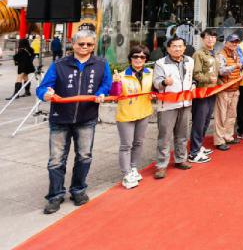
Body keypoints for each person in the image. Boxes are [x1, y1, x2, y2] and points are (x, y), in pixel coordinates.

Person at [36, 29, 112, 214]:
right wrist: (46, 94)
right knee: (56, 160)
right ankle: (55, 195)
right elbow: (43, 88)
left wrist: (101, 93)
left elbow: (106, 84)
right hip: (60, 118)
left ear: (94, 45)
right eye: (81, 44)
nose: (85, 47)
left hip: (87, 118)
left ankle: (78, 190)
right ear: (73, 43)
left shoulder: (101, 64)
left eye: (89, 44)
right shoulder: (59, 64)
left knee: (84, 156)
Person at [152, 36, 195, 180]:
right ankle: (161, 165)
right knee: (164, 136)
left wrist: (193, 84)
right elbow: (156, 83)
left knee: (182, 134)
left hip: (185, 103)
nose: (177, 49)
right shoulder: (161, 63)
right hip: (167, 105)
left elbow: (192, 77)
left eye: (180, 46)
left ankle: (180, 159)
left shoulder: (190, 61)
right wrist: (164, 82)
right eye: (174, 46)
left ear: (184, 48)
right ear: (168, 48)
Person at [115, 45, 153, 190]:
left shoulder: (151, 73)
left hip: (144, 112)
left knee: (138, 143)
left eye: (142, 57)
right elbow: (115, 94)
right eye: (135, 56)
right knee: (126, 145)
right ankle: (126, 174)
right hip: (126, 114)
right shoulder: (121, 75)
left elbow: (156, 88)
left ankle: (133, 168)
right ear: (130, 58)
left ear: (146, 59)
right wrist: (115, 83)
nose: (139, 59)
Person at [189, 29, 219, 163]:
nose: (211, 39)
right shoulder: (198, 54)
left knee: (206, 121)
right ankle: (194, 152)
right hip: (202, 92)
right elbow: (196, 74)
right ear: (202, 39)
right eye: (208, 37)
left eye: (213, 37)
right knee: (199, 122)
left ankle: (199, 145)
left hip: (212, 91)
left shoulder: (214, 53)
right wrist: (208, 79)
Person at [214, 34, 243, 150]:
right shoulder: (221, 55)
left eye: (236, 42)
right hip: (224, 90)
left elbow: (238, 69)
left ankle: (228, 136)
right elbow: (221, 71)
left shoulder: (235, 53)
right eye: (232, 42)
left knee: (232, 115)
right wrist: (235, 66)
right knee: (221, 116)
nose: (234, 44)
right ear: (226, 43)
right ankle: (219, 140)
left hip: (235, 88)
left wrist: (240, 74)